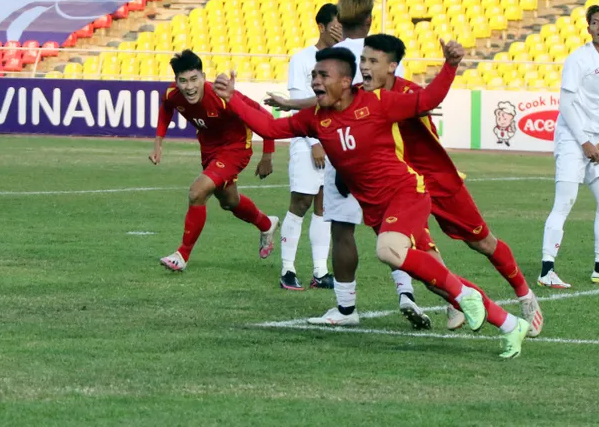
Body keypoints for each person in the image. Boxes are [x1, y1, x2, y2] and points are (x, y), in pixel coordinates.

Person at [216, 46, 531, 359]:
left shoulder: (378, 102)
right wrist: (234, 98)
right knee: (432, 277)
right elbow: (269, 128)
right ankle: (509, 325)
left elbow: (428, 100)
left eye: (323, 75)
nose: (316, 82)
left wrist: (450, 65)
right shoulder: (315, 118)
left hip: (407, 194)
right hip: (379, 210)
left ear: (345, 81)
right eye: (314, 75)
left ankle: (465, 296)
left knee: (387, 250)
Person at [267, 0, 429, 329]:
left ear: (341, 18)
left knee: (342, 230)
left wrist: (292, 108)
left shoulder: (335, 56)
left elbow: (323, 101)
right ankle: (406, 292)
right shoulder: (381, 52)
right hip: (383, 157)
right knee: (392, 231)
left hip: (342, 158)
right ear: (369, 18)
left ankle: (344, 307)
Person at [360, 34, 543, 337]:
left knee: (482, 242)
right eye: (362, 60)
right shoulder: (359, 96)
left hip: (436, 179)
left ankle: (525, 295)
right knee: (418, 256)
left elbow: (428, 99)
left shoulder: (409, 93)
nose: (364, 67)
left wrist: (450, 65)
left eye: (372, 61)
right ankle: (457, 299)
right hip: (400, 188)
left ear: (391, 67)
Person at [151, 50, 279, 272]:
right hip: (209, 149)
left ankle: (182, 255)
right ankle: (267, 224)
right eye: (183, 81)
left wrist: (267, 154)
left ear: (203, 76)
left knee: (197, 192)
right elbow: (166, 108)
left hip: (236, 147)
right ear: (176, 81)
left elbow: (264, 116)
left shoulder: (221, 96)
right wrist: (158, 142)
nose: (189, 87)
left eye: (194, 79)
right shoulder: (173, 94)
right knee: (229, 201)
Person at [539, 3, 599, 289]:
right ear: (588, 27)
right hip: (573, 138)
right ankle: (547, 271)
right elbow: (566, 104)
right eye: (595, 22)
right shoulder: (577, 59)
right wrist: (584, 142)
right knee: (564, 202)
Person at [279, 3, 342, 290]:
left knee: (324, 206)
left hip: (335, 146)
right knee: (301, 203)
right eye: (335, 24)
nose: (340, 28)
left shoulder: (343, 61)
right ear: (321, 26)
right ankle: (287, 270)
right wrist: (316, 141)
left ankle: (320, 271)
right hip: (308, 143)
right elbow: (296, 105)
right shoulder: (302, 59)